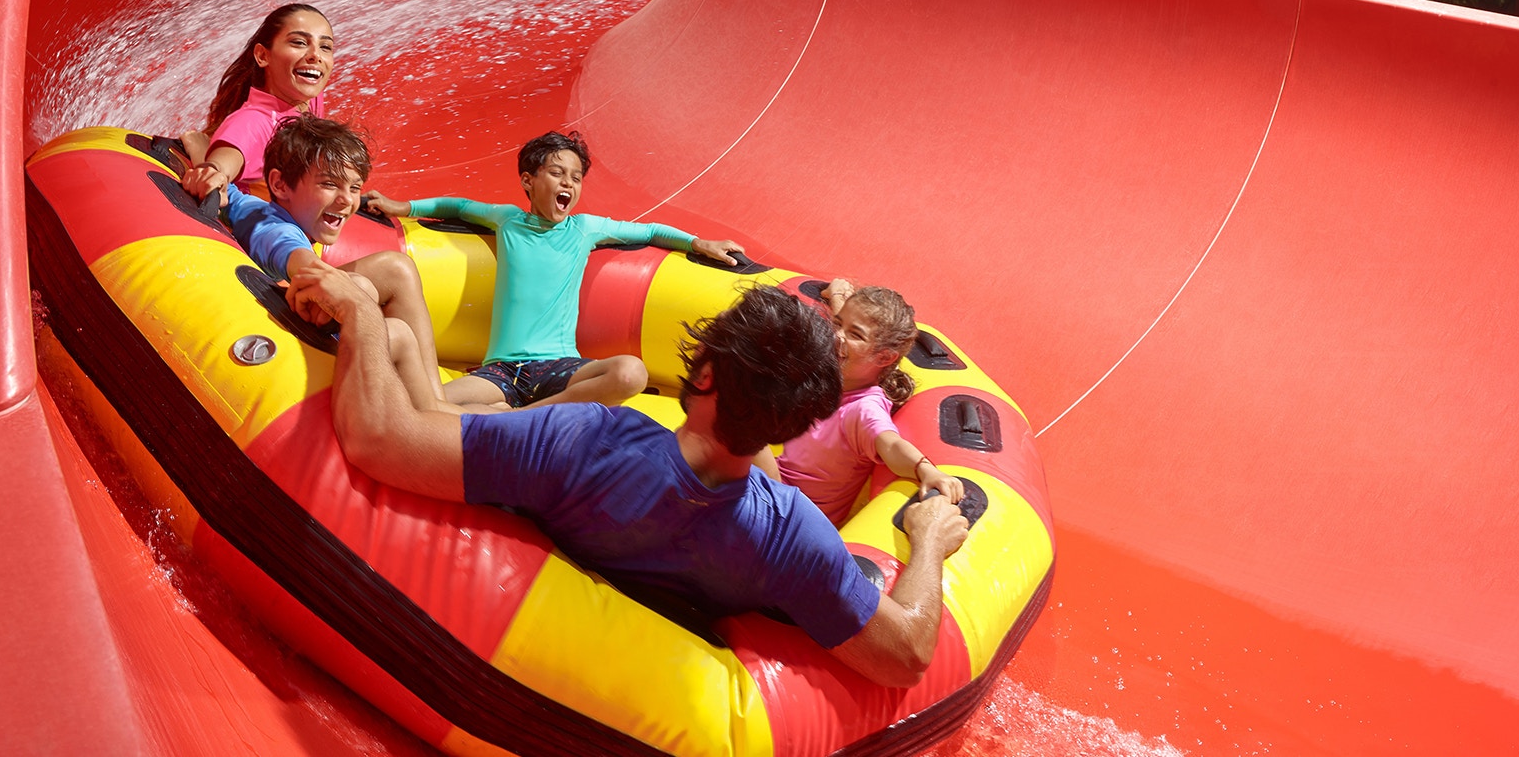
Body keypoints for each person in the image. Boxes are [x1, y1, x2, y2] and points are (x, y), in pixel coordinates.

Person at [285, 269, 971, 688]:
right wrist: (930, 539)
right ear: (796, 417)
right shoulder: (791, 533)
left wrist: (362, 310)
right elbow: (907, 654)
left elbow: (378, 438)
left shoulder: (587, 439)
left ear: (704, 374)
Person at [364, 131, 743, 412]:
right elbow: (459, 206)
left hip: (559, 368)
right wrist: (404, 207)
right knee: (420, 401)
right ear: (528, 181)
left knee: (631, 374)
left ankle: (521, 416)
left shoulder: (584, 229)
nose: (568, 183)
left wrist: (700, 243)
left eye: (576, 178)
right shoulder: (508, 220)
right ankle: (517, 413)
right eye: (557, 173)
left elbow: (649, 231)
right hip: (502, 371)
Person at [225, 113, 456, 413]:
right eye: (329, 184)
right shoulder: (276, 231)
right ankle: (433, 410)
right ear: (280, 185)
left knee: (396, 269)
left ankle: (436, 400)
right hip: (281, 337)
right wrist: (355, 294)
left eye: (354, 188)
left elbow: (229, 191)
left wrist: (207, 161)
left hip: (285, 310)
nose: (346, 200)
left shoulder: (251, 207)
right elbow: (300, 261)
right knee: (376, 303)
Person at [761, 279, 965, 527]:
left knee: (736, 423)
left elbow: (891, 444)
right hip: (773, 490)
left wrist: (926, 470)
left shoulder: (863, 409)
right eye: (838, 324)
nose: (837, 335)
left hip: (789, 518)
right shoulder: (838, 370)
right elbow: (845, 329)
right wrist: (837, 295)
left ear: (885, 357)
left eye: (855, 334)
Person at [182, 3, 334, 200]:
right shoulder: (253, 121)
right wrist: (211, 169)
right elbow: (223, 164)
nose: (316, 55)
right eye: (299, 43)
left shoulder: (308, 98)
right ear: (262, 56)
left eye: (325, 47)